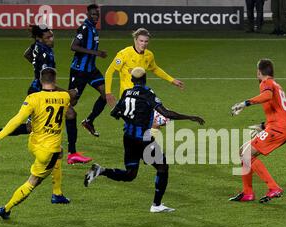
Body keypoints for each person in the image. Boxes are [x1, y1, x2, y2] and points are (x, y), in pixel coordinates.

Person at [84, 67, 204, 213]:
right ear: (145, 78)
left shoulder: (126, 92)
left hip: (128, 138)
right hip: (143, 139)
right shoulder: (147, 93)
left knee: (130, 174)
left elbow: (115, 113)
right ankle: (156, 205)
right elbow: (165, 113)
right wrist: (190, 117)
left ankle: (101, 171)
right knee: (162, 167)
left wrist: (130, 119)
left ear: (132, 80)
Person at [0, 68, 77, 220]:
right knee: (33, 181)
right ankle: (6, 209)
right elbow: (70, 109)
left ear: (41, 81)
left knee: (60, 151)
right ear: (55, 81)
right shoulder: (64, 96)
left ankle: (57, 193)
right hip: (48, 152)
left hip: (34, 143)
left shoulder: (33, 98)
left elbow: (17, 120)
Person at [0, 25, 56, 148]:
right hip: (39, 91)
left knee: (31, 127)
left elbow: (27, 54)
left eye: (52, 36)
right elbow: (45, 77)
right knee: (65, 114)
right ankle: (69, 152)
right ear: (40, 38)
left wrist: (35, 64)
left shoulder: (38, 45)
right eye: (48, 37)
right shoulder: (44, 54)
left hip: (37, 88)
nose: (52, 39)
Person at [229, 59, 286, 203]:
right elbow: (279, 111)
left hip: (278, 129)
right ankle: (247, 193)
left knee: (246, 154)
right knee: (242, 151)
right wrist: (263, 126)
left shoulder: (266, 83)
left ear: (259, 72)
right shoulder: (276, 85)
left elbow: (267, 96)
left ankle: (274, 188)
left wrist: (244, 103)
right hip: (278, 127)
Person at [104, 28, 184, 139]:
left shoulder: (149, 55)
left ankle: (142, 142)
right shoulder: (124, 54)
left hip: (142, 95)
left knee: (159, 122)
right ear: (135, 40)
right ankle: (144, 145)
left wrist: (172, 80)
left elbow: (155, 68)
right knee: (157, 121)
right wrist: (108, 93)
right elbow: (109, 72)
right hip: (129, 97)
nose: (144, 44)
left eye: (146, 41)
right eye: (141, 41)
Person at [67, 4, 108, 164]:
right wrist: (96, 53)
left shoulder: (93, 29)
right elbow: (73, 47)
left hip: (91, 69)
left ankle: (89, 121)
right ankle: (49, 117)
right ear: (87, 14)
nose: (95, 17)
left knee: (105, 93)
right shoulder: (84, 28)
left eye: (97, 15)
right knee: (72, 102)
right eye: (92, 15)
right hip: (79, 70)